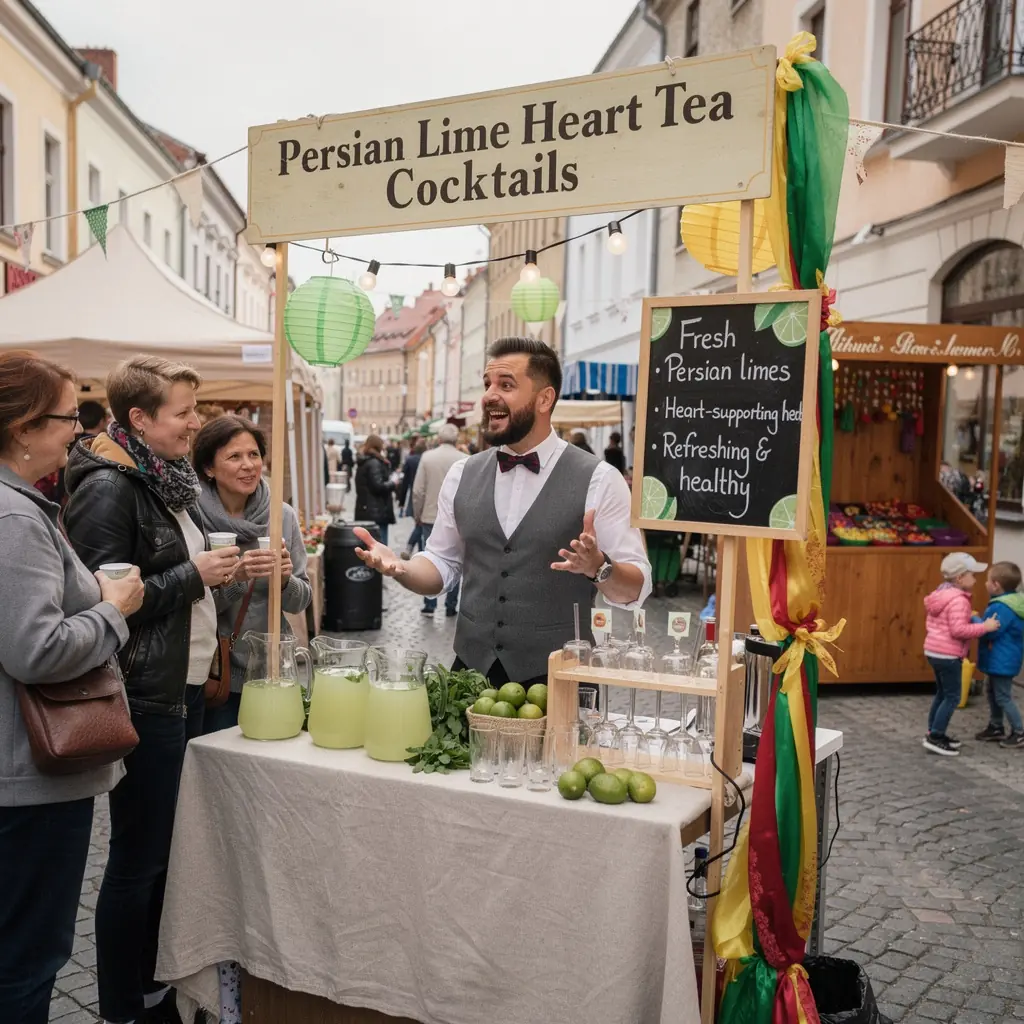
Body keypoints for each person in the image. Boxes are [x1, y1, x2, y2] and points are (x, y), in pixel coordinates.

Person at [63, 356, 240, 1024]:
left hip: (183, 686)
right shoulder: (111, 488)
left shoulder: (164, 479)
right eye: (184, 413)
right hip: (142, 693)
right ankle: (121, 1006)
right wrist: (195, 576)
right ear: (139, 419)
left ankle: (154, 985)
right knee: (138, 858)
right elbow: (106, 602)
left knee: (165, 851)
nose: (195, 424)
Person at [354, 337, 651, 688]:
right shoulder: (462, 474)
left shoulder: (600, 480)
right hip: (471, 676)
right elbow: (441, 564)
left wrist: (598, 567)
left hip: (560, 681)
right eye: (487, 384)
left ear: (545, 398)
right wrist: (401, 567)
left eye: (506, 385)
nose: (489, 395)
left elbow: (636, 587)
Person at [0, 352, 144, 1024]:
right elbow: (37, 650)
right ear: (24, 427)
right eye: (70, 417)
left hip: (20, 777)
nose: (79, 433)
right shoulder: (14, 517)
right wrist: (114, 608)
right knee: (27, 962)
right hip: (26, 781)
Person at [193, 415, 313, 733]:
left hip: (272, 668)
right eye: (234, 456)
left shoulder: (280, 516)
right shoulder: (193, 518)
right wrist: (236, 578)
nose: (248, 465)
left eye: (254, 455)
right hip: (217, 671)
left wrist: (285, 580)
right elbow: (192, 603)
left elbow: (300, 601)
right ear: (209, 468)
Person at [922, 552, 999, 757]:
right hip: (948, 655)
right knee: (953, 697)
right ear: (959, 578)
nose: (975, 579)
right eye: (972, 574)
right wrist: (985, 627)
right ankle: (936, 736)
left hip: (934, 651)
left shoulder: (941, 594)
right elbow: (958, 631)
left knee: (942, 694)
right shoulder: (959, 600)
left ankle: (934, 731)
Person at [412, 423, 468, 617]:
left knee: (432, 557)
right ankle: (451, 606)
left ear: (439, 438)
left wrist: (417, 514)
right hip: (459, 516)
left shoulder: (427, 458)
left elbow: (418, 490)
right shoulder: (466, 459)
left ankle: (430, 604)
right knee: (455, 559)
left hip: (429, 515)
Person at [974, 560, 1024, 748]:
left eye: (988, 580)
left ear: (996, 585)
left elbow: (992, 631)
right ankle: (996, 726)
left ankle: (1019, 731)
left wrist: (975, 620)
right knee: (993, 691)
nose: (985, 584)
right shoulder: (1014, 602)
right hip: (1005, 658)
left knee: (1002, 696)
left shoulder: (1000, 607)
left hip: (1000, 659)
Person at [355, 434, 397, 546]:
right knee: (380, 546)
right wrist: (393, 483)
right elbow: (378, 486)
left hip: (366, 510)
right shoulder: (374, 463)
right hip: (377, 511)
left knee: (369, 546)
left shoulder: (365, 461)